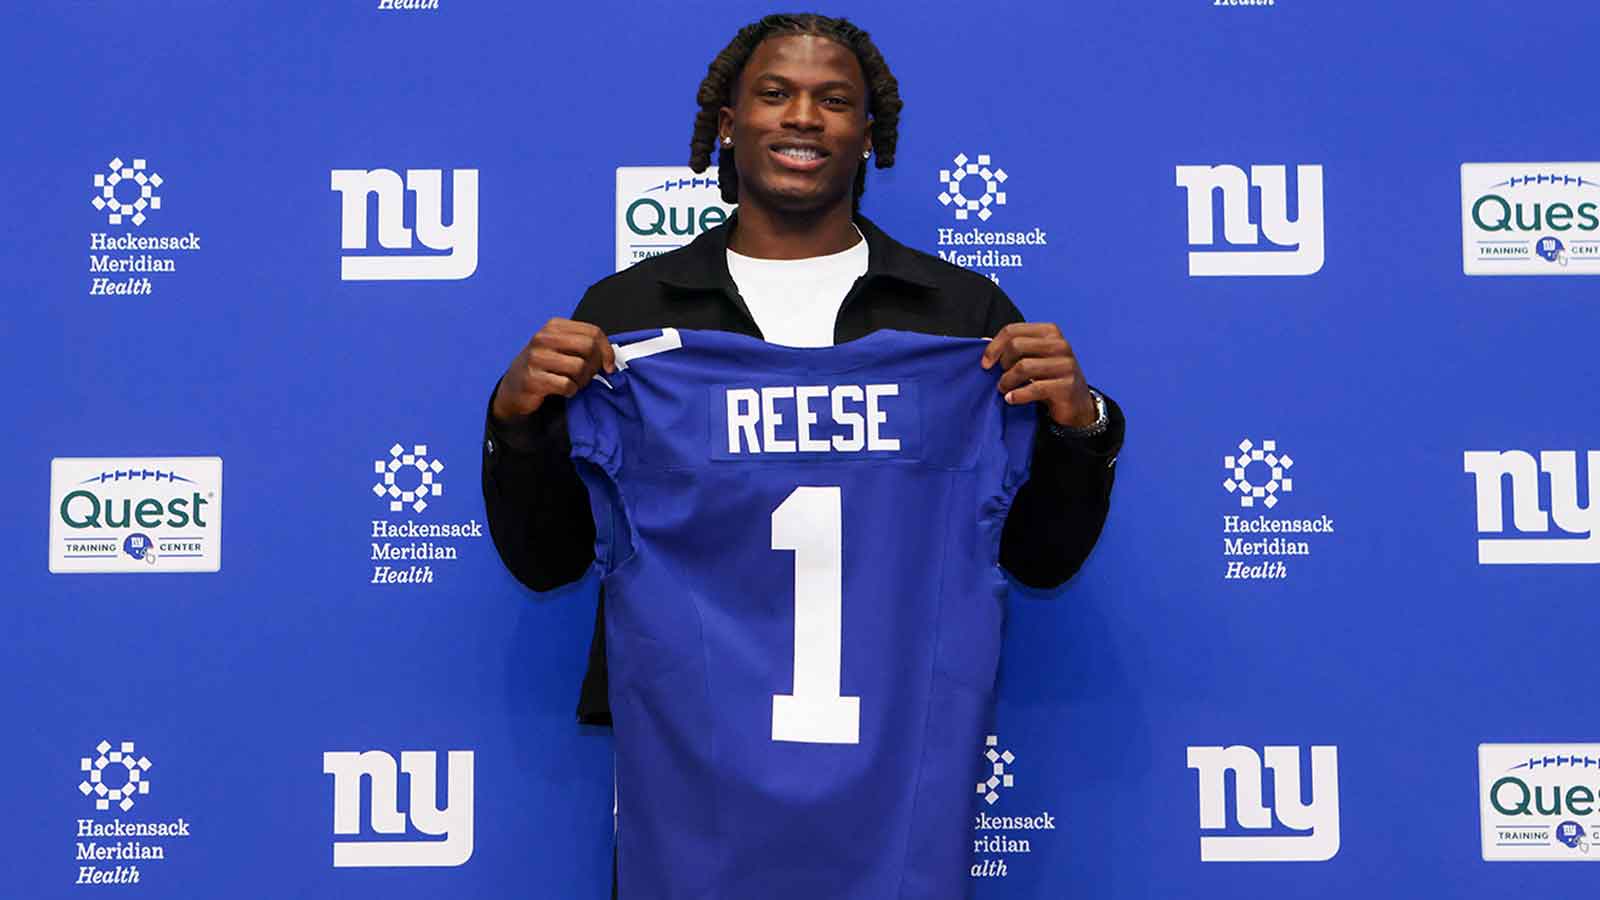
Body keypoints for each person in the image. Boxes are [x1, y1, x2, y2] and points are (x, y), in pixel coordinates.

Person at [479, 12, 1123, 895]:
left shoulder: (960, 317)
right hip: (690, 772)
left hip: (894, 765)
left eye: (835, 100)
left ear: (870, 134)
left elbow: (1039, 558)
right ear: (728, 123)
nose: (803, 117)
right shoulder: (629, 312)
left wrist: (1081, 426)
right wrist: (517, 424)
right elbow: (546, 559)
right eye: (775, 93)